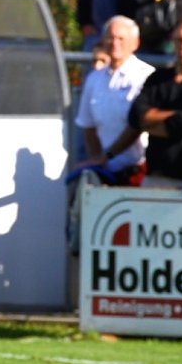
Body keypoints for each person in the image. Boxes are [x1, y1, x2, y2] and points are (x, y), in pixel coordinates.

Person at [67, 15, 155, 254]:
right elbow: (87, 124)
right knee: (103, 239)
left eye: (121, 38)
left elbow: (140, 125)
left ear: (134, 43)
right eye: (110, 37)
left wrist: (107, 155)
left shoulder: (146, 76)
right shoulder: (95, 79)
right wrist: (99, 159)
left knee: (137, 240)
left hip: (138, 170)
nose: (115, 43)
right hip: (106, 172)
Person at [122, 16, 182, 190]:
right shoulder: (158, 79)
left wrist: (150, 121)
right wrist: (175, 116)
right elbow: (135, 116)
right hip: (156, 178)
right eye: (179, 40)